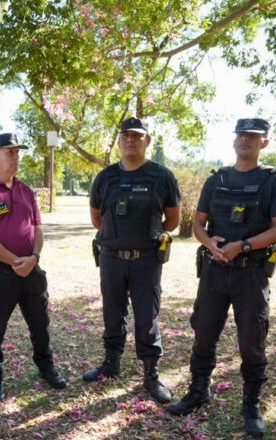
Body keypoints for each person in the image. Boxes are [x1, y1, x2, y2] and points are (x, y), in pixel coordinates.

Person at [167, 118, 276, 438]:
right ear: (234, 140)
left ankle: (251, 404)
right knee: (203, 334)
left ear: (264, 142)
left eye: (253, 137)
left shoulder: (273, 181)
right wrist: (209, 243)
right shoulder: (217, 179)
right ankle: (198, 391)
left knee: (252, 342)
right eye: (241, 135)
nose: (245, 141)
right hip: (214, 272)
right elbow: (198, 224)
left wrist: (243, 246)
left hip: (251, 274)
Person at [82, 117, 181, 404]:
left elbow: (172, 221)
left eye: (137, 136)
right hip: (111, 258)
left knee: (147, 317)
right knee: (112, 312)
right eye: (125, 135)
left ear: (147, 141)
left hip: (147, 260)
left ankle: (151, 375)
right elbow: (96, 219)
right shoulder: (105, 177)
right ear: (119, 140)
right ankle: (111, 364)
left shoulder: (162, 176)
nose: (130, 140)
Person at [0, 133, 68, 403]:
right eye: (9, 152)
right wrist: (15, 261)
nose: (16, 157)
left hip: (31, 269)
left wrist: (34, 257)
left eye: (17, 152)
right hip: (0, 272)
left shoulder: (25, 189)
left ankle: (46, 366)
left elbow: (38, 228)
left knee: (40, 324)